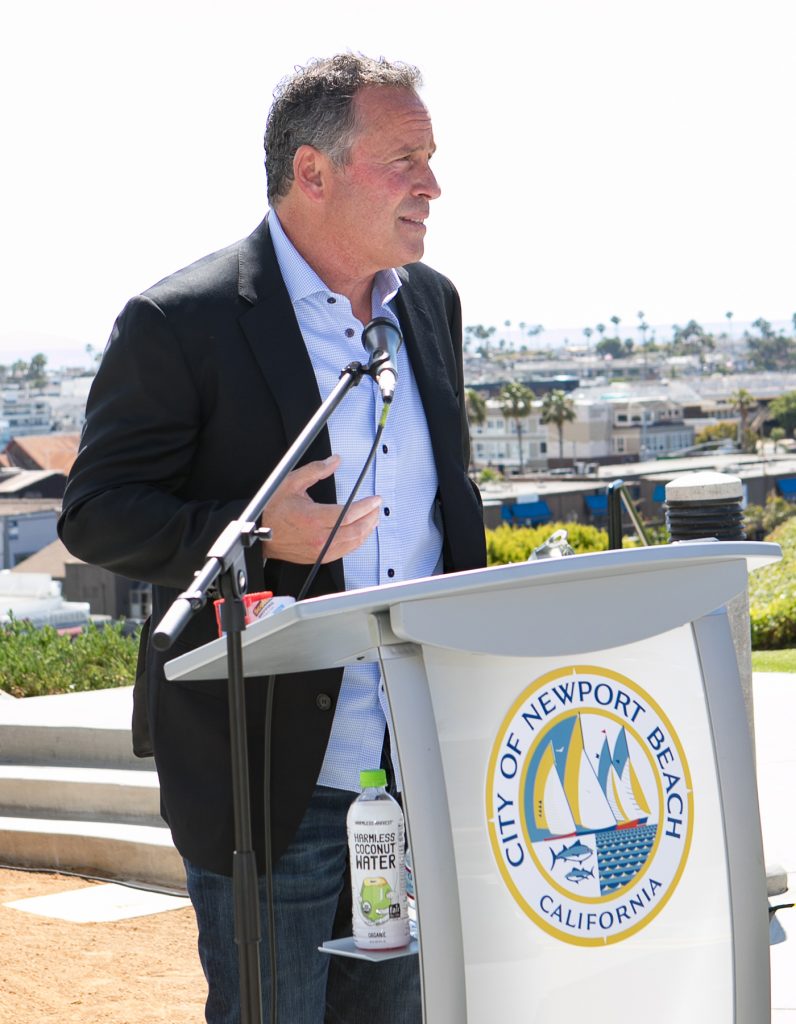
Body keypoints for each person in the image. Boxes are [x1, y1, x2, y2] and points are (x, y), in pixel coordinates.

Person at [58, 53, 486, 1023]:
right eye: (405, 158)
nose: (433, 184)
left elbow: (443, 513)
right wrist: (254, 531)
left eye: (432, 157)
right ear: (313, 171)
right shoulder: (183, 323)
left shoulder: (429, 305)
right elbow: (96, 513)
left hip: (414, 771)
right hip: (267, 782)